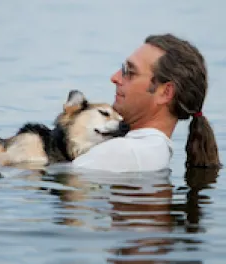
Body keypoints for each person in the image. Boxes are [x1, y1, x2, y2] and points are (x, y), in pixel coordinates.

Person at [73, 33, 221, 172]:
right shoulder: (152, 150)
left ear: (165, 93)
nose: (115, 78)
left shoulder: (126, 152)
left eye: (130, 72)